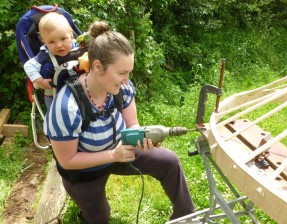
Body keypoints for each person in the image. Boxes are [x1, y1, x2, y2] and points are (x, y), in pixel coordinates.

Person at [44, 21, 195, 224]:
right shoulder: (66, 108)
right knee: (100, 218)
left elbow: (132, 124)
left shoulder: (121, 87)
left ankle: (187, 217)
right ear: (98, 67)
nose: (127, 80)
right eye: (122, 73)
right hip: (85, 172)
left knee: (169, 161)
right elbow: (67, 160)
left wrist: (141, 137)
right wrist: (112, 155)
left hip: (121, 150)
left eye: (129, 72)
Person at [24, 12, 81, 108]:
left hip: (80, 90)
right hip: (54, 95)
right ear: (44, 42)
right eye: (51, 42)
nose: (59, 45)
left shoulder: (81, 46)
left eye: (63, 39)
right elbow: (29, 66)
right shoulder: (45, 54)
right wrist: (40, 81)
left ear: (71, 35)